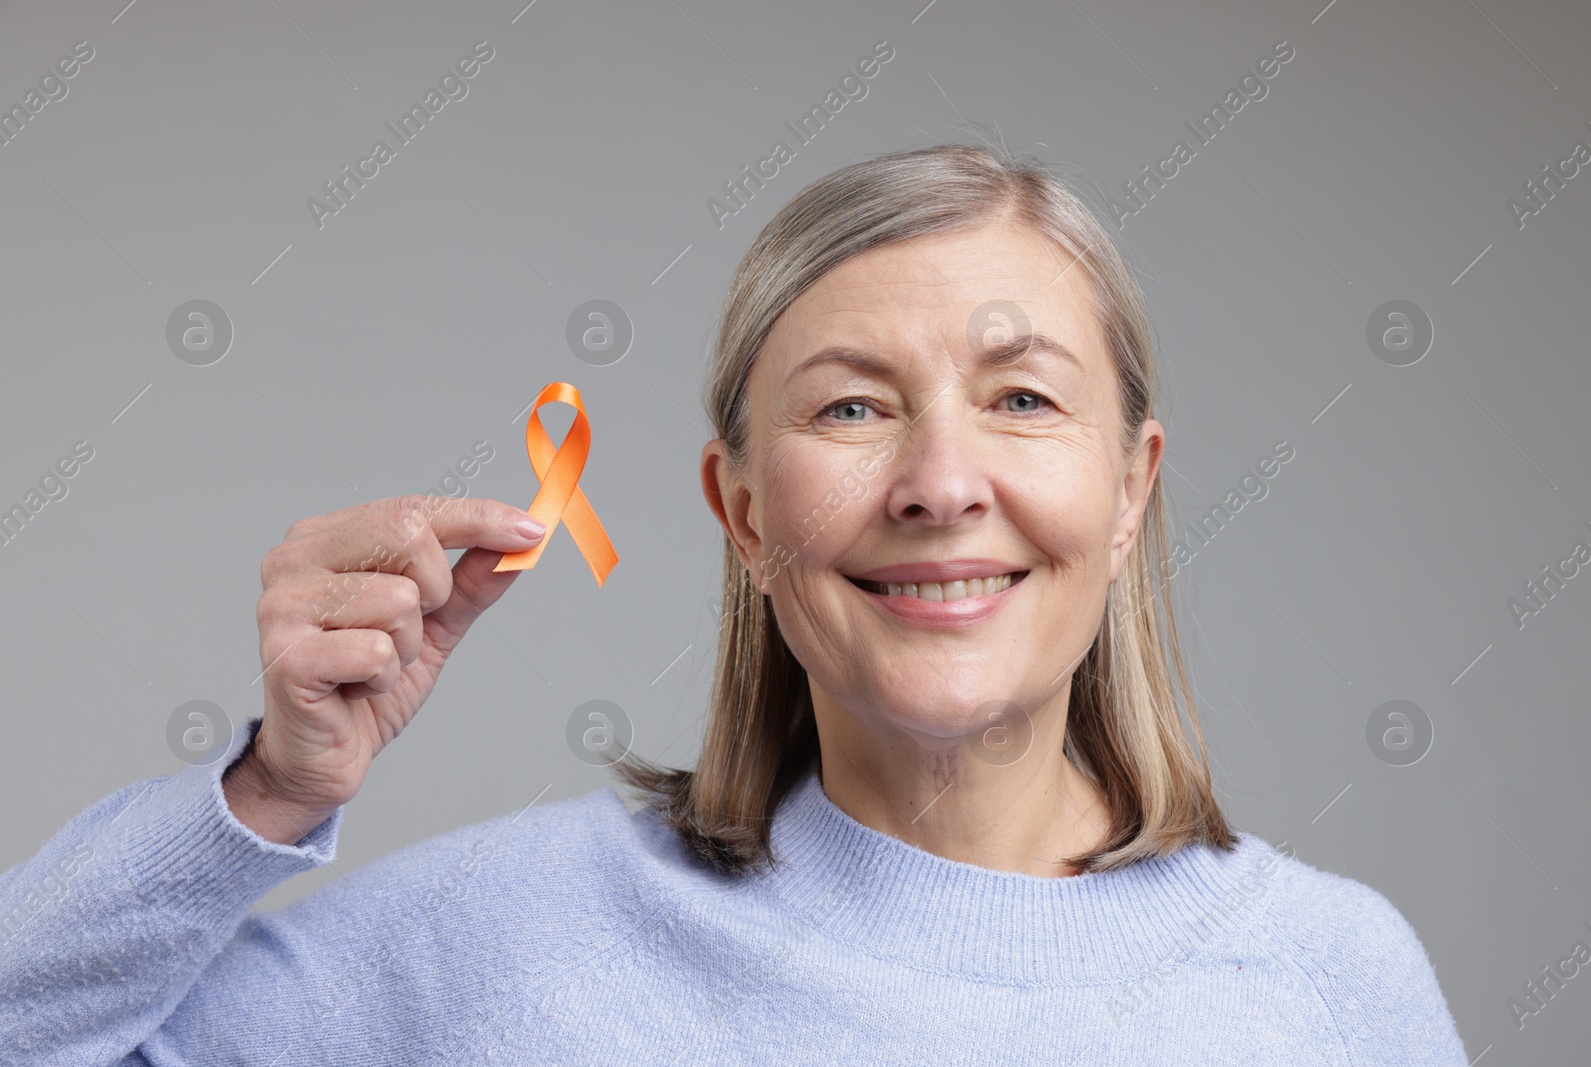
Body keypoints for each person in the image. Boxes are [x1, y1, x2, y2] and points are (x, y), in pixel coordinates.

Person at [0, 139, 1470, 1065]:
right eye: (850, 411)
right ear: (743, 513)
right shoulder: (502, 949)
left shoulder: (1329, 987)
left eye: (1022, 397)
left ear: (1132, 485)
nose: (940, 481)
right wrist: (267, 791)